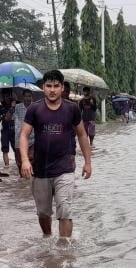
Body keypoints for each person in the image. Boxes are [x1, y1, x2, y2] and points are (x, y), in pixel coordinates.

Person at [19, 70, 92, 239]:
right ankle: (47, 238)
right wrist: (25, 160)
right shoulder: (34, 109)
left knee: (65, 209)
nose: (52, 90)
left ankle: (64, 247)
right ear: (43, 87)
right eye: (49, 86)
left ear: (62, 88)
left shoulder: (72, 108)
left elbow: (82, 134)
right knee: (43, 213)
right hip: (40, 169)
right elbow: (24, 135)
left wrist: (88, 162)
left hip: (64, 168)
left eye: (56, 86)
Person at [13, 88, 35, 171]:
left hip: (33, 138)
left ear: (32, 97)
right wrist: (12, 107)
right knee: (19, 163)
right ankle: (22, 178)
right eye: (26, 96)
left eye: (29, 96)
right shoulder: (17, 107)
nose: (28, 98)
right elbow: (8, 118)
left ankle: (31, 177)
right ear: (23, 97)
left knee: (31, 158)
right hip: (19, 138)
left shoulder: (35, 107)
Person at [0, 89, 16, 167]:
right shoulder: (0, 106)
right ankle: (7, 166)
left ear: (11, 95)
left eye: (8, 95)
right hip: (5, 130)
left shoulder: (16, 104)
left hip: (14, 130)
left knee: (16, 149)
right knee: (5, 149)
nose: (7, 97)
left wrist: (13, 106)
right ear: (3, 96)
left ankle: (18, 165)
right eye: (5, 96)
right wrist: (0, 117)